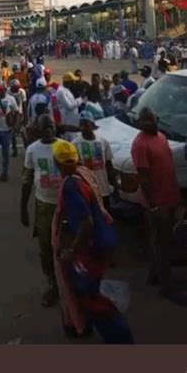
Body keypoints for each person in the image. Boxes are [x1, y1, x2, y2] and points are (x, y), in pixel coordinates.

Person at [51, 142, 134, 344]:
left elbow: (85, 222)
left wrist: (71, 250)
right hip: (97, 245)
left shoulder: (70, 185)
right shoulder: (83, 173)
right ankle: (85, 325)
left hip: (88, 250)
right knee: (86, 291)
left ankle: (120, 337)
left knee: (90, 295)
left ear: (56, 162)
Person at [131, 108, 186, 305]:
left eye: (150, 120)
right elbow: (144, 178)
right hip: (156, 202)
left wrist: (177, 196)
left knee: (161, 240)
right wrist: (153, 205)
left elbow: (168, 167)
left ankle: (155, 274)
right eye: (144, 121)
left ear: (157, 119)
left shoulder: (161, 137)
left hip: (169, 196)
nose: (147, 123)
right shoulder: (140, 144)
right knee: (162, 242)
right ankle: (167, 286)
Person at [21, 115, 63, 307]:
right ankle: (52, 284)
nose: (48, 130)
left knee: (65, 245)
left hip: (64, 205)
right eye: (44, 127)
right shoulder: (32, 150)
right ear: (39, 130)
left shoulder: (65, 147)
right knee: (45, 248)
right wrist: (23, 208)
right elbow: (27, 180)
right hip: (43, 206)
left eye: (51, 127)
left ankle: (67, 283)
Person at [74, 111, 115, 210]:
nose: (83, 128)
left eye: (86, 125)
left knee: (106, 211)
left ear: (92, 125)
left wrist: (114, 182)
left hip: (103, 187)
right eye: (81, 125)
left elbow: (109, 163)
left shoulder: (103, 142)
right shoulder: (74, 144)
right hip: (87, 187)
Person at [56, 73, 81, 139]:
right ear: (68, 82)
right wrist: (80, 100)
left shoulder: (66, 89)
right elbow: (70, 106)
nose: (74, 83)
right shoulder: (61, 91)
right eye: (73, 81)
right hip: (67, 121)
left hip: (72, 121)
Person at [9, 79, 27, 157]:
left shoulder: (22, 92)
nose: (17, 89)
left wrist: (25, 117)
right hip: (12, 114)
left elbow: (24, 104)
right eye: (15, 88)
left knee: (23, 132)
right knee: (12, 133)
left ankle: (27, 148)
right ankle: (14, 149)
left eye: (18, 87)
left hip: (20, 114)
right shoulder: (8, 92)